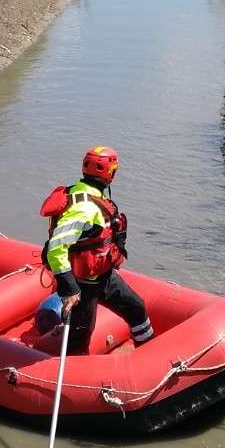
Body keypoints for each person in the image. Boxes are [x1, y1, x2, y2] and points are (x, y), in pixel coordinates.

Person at [38, 146, 154, 356]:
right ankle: (74, 376)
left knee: (136, 308)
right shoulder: (84, 208)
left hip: (104, 276)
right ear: (110, 174)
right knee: (80, 333)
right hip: (82, 284)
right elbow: (56, 246)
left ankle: (150, 356)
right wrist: (69, 288)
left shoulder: (92, 196)